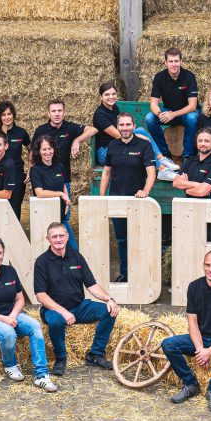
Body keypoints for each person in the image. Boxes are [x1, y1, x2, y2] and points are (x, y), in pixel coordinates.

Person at [0, 236, 57, 392]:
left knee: (35, 327)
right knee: (8, 333)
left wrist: (13, 315)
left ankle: (41, 376)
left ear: (4, 253)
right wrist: (5, 319)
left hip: (11, 315)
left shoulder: (10, 271)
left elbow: (20, 299)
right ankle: (10, 364)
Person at [160, 250, 211, 413]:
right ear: (203, 266)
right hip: (200, 337)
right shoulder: (194, 287)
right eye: (207, 265)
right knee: (168, 344)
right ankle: (190, 384)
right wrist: (200, 350)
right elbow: (192, 321)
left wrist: (209, 351)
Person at [34, 222, 120, 376]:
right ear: (48, 239)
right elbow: (41, 295)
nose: (58, 239)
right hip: (53, 309)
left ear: (67, 237)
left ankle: (95, 354)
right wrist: (63, 312)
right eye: (54, 236)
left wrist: (109, 299)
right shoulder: (42, 262)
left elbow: (91, 285)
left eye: (61, 235)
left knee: (109, 312)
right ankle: (61, 357)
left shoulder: (76, 256)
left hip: (79, 306)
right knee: (56, 321)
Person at [100, 112, 156, 282]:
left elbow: (151, 173)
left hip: (137, 201)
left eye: (128, 125)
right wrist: (102, 197)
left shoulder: (144, 145)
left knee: (139, 239)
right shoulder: (112, 145)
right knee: (122, 240)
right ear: (117, 126)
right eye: (122, 125)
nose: (125, 128)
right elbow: (107, 172)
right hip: (116, 200)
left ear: (133, 125)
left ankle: (141, 276)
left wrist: (145, 191)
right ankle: (125, 274)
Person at [93, 81, 176, 181]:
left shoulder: (114, 107)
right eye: (107, 94)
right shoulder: (100, 115)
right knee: (141, 141)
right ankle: (161, 168)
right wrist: (141, 138)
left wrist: (140, 137)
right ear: (101, 96)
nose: (111, 97)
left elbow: (124, 131)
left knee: (140, 130)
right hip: (106, 152)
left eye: (113, 94)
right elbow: (119, 136)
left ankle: (161, 159)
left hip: (119, 145)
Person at [145, 47, 200, 167]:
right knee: (149, 119)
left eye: (176, 61)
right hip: (168, 111)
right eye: (171, 61)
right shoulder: (159, 77)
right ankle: (165, 154)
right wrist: (160, 114)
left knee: (193, 118)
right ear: (165, 62)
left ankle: (187, 156)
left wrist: (173, 114)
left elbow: (192, 106)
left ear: (180, 61)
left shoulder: (189, 77)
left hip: (185, 113)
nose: (174, 64)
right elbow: (153, 103)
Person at [31, 99, 97, 195]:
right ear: (48, 113)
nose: (57, 114)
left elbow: (93, 130)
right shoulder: (41, 130)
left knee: (65, 206)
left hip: (62, 178)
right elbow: (32, 152)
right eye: (53, 111)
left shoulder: (70, 127)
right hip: (43, 178)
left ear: (64, 112)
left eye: (60, 111)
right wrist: (30, 170)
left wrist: (77, 140)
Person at [29, 135, 77, 250]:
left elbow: (63, 184)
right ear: (38, 151)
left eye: (50, 148)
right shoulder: (35, 170)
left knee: (73, 249)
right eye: (44, 149)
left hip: (61, 217)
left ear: (54, 149)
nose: (47, 152)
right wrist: (61, 194)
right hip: (44, 217)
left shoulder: (59, 166)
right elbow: (39, 193)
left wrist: (66, 198)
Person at [0, 101, 30, 219]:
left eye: (9, 114)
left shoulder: (21, 132)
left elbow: (31, 149)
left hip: (17, 175)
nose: (7, 117)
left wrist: (30, 168)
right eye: (3, 115)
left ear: (13, 115)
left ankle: (14, 235)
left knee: (15, 207)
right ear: (0, 117)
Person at [172, 127, 211, 199]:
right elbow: (176, 183)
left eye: (206, 141)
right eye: (200, 141)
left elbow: (202, 191)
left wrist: (186, 189)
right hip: (189, 206)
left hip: (208, 207)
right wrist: (199, 185)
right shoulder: (189, 160)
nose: (203, 143)